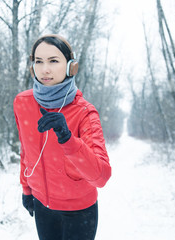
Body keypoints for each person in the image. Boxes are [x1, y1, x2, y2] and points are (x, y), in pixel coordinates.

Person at [13, 34, 111, 240]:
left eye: (53, 61)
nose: (44, 69)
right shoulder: (22, 103)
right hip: (42, 207)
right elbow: (26, 151)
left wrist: (67, 138)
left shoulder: (85, 112)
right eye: (38, 62)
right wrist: (26, 189)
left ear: (70, 67)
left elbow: (101, 176)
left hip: (80, 211)